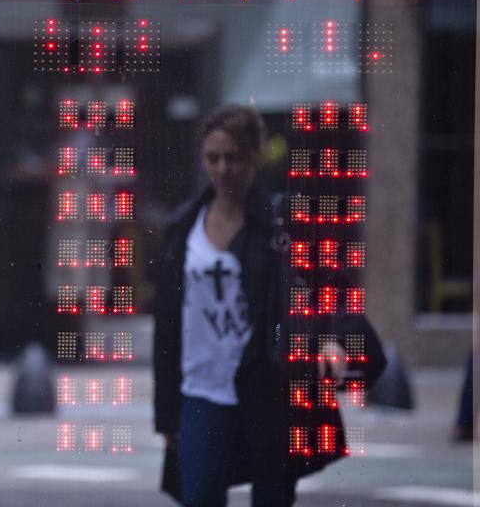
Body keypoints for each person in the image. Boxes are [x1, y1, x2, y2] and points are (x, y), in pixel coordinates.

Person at [152, 105, 385, 506]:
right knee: (199, 496)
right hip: (200, 389)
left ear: (254, 156)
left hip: (268, 390)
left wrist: (333, 340)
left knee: (272, 498)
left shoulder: (282, 222)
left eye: (233, 158)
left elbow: (330, 285)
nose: (223, 169)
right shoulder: (184, 226)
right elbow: (169, 326)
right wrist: (166, 411)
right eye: (213, 158)